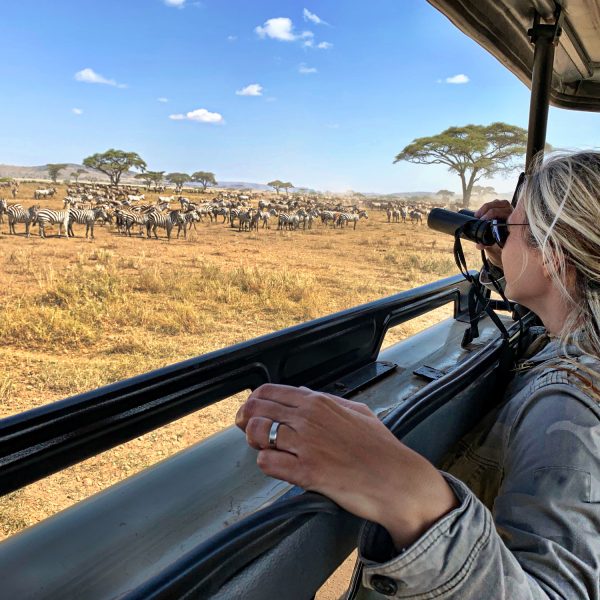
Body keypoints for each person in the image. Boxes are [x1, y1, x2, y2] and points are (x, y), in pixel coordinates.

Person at [236, 151, 600, 599]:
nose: (501, 239)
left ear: (554, 255)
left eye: (514, 230)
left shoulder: (571, 404)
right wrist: (511, 255)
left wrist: (412, 496)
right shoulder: (568, 343)